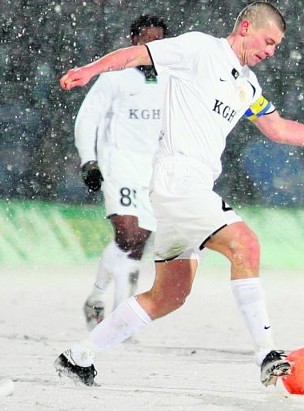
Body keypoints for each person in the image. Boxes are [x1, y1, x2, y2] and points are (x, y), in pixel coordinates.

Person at [54, 1, 304, 388]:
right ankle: (267, 353)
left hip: (189, 188)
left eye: (276, 46)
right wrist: (89, 71)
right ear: (245, 27)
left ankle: (78, 357)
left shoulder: (248, 84)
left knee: (169, 296)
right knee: (246, 244)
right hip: (178, 178)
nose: (271, 51)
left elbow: (280, 130)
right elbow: (137, 54)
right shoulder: (200, 49)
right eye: (268, 41)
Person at [74, 14, 169, 332]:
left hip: (152, 172)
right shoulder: (115, 76)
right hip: (119, 166)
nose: (151, 46)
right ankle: (98, 298)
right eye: (146, 40)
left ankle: (120, 314)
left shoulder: (171, 79)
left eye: (158, 41)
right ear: (133, 41)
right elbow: (88, 117)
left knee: (140, 241)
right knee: (127, 233)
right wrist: (89, 160)